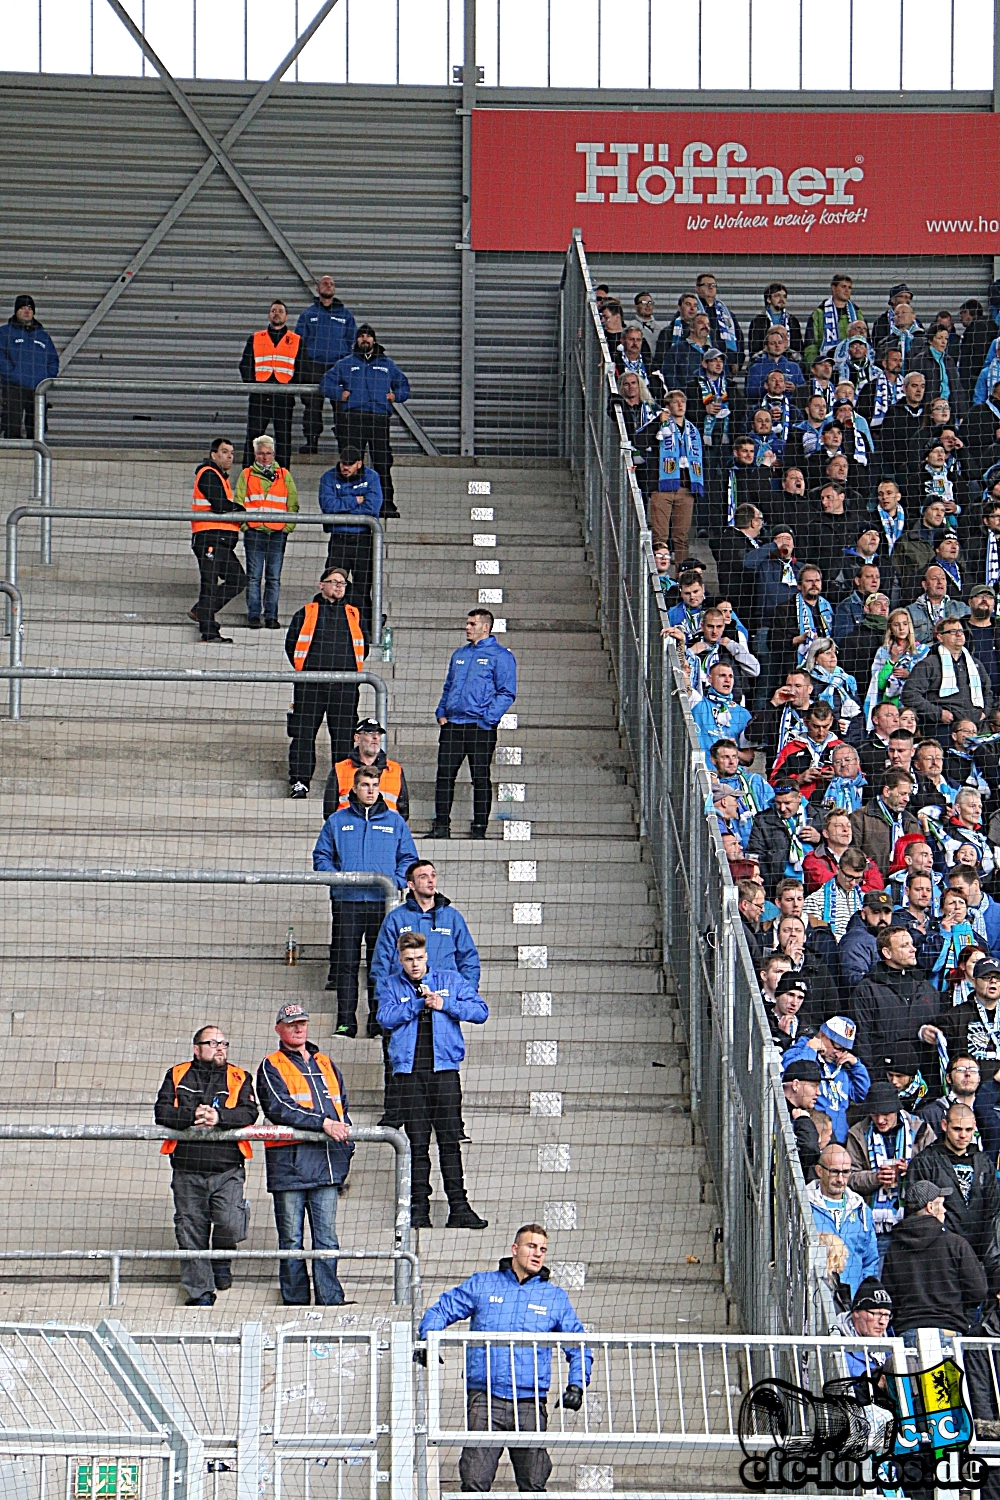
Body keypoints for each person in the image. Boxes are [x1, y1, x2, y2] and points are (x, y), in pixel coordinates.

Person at [418, 1223, 592, 1491]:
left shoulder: (555, 1297)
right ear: (515, 1248)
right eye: (531, 1246)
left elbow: (578, 1345)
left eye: (543, 1249)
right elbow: (441, 1310)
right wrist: (429, 1339)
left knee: (534, 1484)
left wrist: (576, 1385)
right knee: (474, 1481)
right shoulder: (483, 1284)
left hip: (530, 1402)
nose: (537, 1254)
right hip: (486, 1399)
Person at [376, 931, 488, 1229]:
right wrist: (416, 1005)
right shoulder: (391, 984)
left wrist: (444, 1005)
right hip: (410, 1075)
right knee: (417, 1144)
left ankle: (459, 1207)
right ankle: (418, 1210)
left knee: (450, 1141)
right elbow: (384, 1017)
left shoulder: (448, 980)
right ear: (400, 959)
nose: (415, 964)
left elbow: (480, 1011)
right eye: (409, 959)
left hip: (445, 1072)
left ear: (427, 957)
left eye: (419, 958)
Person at [154, 1025, 259, 1307]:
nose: (220, 1047)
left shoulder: (240, 1076)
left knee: (230, 1223)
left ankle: (222, 1258)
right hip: (187, 1168)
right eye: (212, 1043)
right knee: (190, 1231)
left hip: (227, 1168)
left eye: (223, 1042)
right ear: (196, 1048)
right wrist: (192, 1115)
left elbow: (250, 1112)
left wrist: (219, 1117)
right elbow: (161, 1111)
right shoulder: (176, 1074)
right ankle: (200, 1292)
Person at [256, 1004, 354, 1306]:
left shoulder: (326, 1062)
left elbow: (341, 1108)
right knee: (291, 1241)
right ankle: (295, 1302)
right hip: (290, 1165)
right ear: (279, 1030)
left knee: (326, 1239)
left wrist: (345, 1146)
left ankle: (330, 1300)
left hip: (326, 1163)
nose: (298, 1029)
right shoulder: (270, 1064)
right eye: (291, 1024)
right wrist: (323, 1123)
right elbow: (279, 1108)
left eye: (302, 1023)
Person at [313, 765, 418, 1035]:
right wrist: (336, 879)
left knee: (380, 963)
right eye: (365, 786)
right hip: (347, 903)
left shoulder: (395, 822)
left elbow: (408, 859)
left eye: (375, 785)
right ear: (354, 789)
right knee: (346, 963)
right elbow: (321, 857)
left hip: (382, 904)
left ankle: (378, 1020)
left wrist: (394, 881)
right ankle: (346, 1021)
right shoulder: (337, 821)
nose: (370, 791)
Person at [431, 609, 518, 841]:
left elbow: (507, 692)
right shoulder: (459, 654)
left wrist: (487, 720)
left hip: (480, 727)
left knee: (480, 777)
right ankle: (441, 826)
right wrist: (441, 712)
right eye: (467, 623)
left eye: (472, 624)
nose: (467, 627)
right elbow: (448, 686)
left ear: (485, 627)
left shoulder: (501, 656)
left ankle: (479, 828)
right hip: (453, 725)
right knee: (444, 776)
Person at [285, 567, 367, 800]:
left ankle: (342, 785)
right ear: (321, 585)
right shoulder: (307, 612)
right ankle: (300, 781)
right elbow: (292, 644)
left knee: (343, 736)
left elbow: (364, 645)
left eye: (343, 583)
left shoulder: (354, 613)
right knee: (303, 734)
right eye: (334, 582)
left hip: (345, 687)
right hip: (310, 685)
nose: (339, 586)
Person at [881, 1177, 988, 1339]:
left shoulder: (894, 1248)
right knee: (945, 1367)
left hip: (908, 1333)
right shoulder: (956, 1244)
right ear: (930, 1207)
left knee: (915, 1367)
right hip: (949, 1332)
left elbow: (889, 1295)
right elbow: (978, 1291)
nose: (945, 1210)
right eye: (942, 1204)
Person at [324, 324, 409, 518]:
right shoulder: (346, 363)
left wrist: (395, 396)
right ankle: (350, 502)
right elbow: (326, 383)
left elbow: (403, 385)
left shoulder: (386, 364)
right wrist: (340, 394)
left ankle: (386, 504)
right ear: (356, 340)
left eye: (368, 336)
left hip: (379, 419)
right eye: (361, 336)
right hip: (354, 419)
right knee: (352, 462)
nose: (365, 339)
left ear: (374, 340)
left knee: (382, 462)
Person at [905, 1103, 1000, 1278]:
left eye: (968, 1129)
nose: (963, 1135)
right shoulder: (924, 1162)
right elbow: (915, 1216)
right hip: (940, 1263)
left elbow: (993, 1213)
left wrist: (991, 1264)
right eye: (957, 1128)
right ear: (944, 1125)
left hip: (980, 1261)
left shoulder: (984, 1162)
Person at [846, 1082, 930, 1272]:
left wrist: (911, 1171)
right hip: (875, 1228)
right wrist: (875, 1178)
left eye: (886, 1114)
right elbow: (849, 1177)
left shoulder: (920, 1129)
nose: (881, 1120)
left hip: (913, 1223)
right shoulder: (857, 1133)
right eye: (875, 1114)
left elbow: (934, 1172)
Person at [850, 924, 946, 1082]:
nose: (913, 949)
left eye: (912, 944)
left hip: (925, 1086)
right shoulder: (867, 990)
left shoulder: (927, 988)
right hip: (883, 1082)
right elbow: (862, 1042)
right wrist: (872, 1082)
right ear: (887, 952)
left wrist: (928, 1033)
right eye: (904, 945)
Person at [233, 434, 298, 629]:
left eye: (268, 454)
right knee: (254, 576)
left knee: (273, 577)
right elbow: (239, 502)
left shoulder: (284, 475)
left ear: (274, 454)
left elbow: (292, 504)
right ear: (255, 454)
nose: (265, 457)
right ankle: (254, 615)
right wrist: (246, 526)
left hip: (277, 533)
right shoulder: (246, 475)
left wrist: (287, 528)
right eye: (261, 454)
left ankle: (271, 616)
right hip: (255, 532)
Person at [634, 389, 703, 565]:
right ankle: (658, 577)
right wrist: (658, 422)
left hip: (686, 489)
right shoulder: (659, 425)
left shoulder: (692, 430)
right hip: (662, 488)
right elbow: (639, 441)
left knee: (681, 537)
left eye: (683, 402)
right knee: (660, 537)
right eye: (675, 402)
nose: (680, 405)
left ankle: (682, 577)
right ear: (667, 406)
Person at [318, 447, 384, 634]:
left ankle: (365, 630)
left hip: (363, 540)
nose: (345, 468)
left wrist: (343, 508)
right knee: (333, 584)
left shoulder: (371, 477)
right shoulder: (328, 477)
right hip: (339, 540)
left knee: (363, 588)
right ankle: (332, 628)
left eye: (349, 464)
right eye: (343, 463)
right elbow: (328, 506)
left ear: (359, 464)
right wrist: (356, 500)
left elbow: (372, 507)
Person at [190, 437, 246, 644]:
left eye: (231, 452)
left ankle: (201, 611)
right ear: (213, 455)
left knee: (238, 579)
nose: (229, 456)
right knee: (210, 583)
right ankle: (209, 631)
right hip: (209, 537)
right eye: (224, 451)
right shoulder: (208, 474)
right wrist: (241, 510)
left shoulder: (218, 476)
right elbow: (220, 504)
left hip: (218, 538)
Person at [806, 1144, 879, 1298]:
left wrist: (864, 1299)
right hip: (814, 1303)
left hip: (852, 1303)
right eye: (834, 1172)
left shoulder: (862, 1210)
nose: (840, 1179)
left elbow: (870, 1262)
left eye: (845, 1172)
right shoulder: (803, 1207)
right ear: (819, 1171)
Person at [782, 1016, 871, 1141]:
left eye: (844, 1050)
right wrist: (811, 1049)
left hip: (840, 1139)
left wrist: (856, 1065)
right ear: (823, 1035)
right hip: (811, 1137)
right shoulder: (802, 1049)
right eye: (837, 1047)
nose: (838, 1054)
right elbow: (788, 1073)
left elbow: (862, 1094)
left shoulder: (842, 1067)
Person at [295, 275, 357, 454]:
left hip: (338, 368)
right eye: (324, 283)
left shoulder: (345, 315)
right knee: (313, 406)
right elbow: (299, 342)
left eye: (331, 284)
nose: (328, 286)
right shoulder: (308, 314)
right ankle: (311, 443)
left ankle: (344, 446)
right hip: (314, 366)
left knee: (342, 407)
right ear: (317, 289)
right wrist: (304, 366)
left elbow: (352, 341)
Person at [238, 299, 302, 469]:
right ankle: (248, 473)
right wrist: (253, 385)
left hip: (283, 397)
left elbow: (303, 368)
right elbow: (245, 364)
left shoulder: (295, 340)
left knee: (283, 439)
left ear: (286, 316)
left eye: (280, 311)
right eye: (273, 310)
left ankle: (282, 476)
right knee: (253, 437)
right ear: (268, 315)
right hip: (260, 395)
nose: (277, 313)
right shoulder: (256, 338)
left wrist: (292, 388)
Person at [903, 618, 993, 736]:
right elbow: (909, 695)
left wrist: (983, 713)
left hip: (976, 728)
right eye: (952, 631)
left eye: (961, 631)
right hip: (942, 730)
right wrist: (938, 714)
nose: (959, 634)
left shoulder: (975, 664)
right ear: (940, 637)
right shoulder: (929, 664)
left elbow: (988, 692)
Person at [323, 717, 410, 821]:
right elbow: (329, 812)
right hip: (350, 831)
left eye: (378, 733)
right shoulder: (340, 769)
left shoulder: (395, 770)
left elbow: (404, 811)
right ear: (357, 738)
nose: (375, 737)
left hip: (386, 831)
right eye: (369, 732)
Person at [0, 294, 59, 439]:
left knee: (37, 426)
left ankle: (36, 457)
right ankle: (12, 456)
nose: (26, 311)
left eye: (30, 308)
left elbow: (53, 360)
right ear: (15, 311)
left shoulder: (43, 336)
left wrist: (45, 377)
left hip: (37, 388)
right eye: (22, 307)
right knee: (12, 423)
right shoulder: (5, 332)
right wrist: (12, 375)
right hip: (13, 386)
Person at [746, 783, 822, 893]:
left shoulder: (819, 815)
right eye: (778, 803)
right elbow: (755, 854)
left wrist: (820, 839)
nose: (782, 808)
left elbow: (836, 846)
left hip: (815, 883)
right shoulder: (762, 820)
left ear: (799, 798)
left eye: (787, 803)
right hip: (780, 886)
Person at [849, 769, 921, 878]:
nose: (907, 799)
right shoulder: (860, 818)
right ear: (887, 791)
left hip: (905, 887)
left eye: (908, 794)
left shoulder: (911, 822)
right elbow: (853, 857)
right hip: (871, 887)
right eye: (902, 794)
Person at [837, 891, 895, 990]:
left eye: (887, 912)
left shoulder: (882, 935)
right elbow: (854, 982)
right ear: (863, 913)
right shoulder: (855, 941)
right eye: (876, 912)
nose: (883, 918)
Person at [804, 276, 861, 368]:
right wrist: (814, 365)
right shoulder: (819, 314)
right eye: (843, 286)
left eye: (849, 287)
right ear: (833, 288)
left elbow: (865, 342)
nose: (847, 290)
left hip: (853, 367)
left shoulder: (857, 314)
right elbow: (810, 345)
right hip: (825, 366)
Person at [695, 272, 743, 373]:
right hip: (700, 365)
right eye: (707, 285)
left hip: (725, 366)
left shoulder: (727, 314)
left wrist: (737, 361)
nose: (711, 288)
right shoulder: (692, 312)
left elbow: (739, 339)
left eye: (713, 285)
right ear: (697, 289)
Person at [783, 1057, 824, 1173]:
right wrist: (804, 1121)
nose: (819, 1092)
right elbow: (810, 1153)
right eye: (813, 1086)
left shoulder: (803, 1113)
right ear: (795, 1085)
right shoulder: (774, 1111)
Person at [748, 282, 803, 362]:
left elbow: (799, 348)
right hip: (765, 362)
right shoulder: (758, 321)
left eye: (784, 296)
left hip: (790, 362)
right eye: (777, 296)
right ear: (768, 299)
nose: (782, 299)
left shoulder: (792, 320)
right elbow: (755, 349)